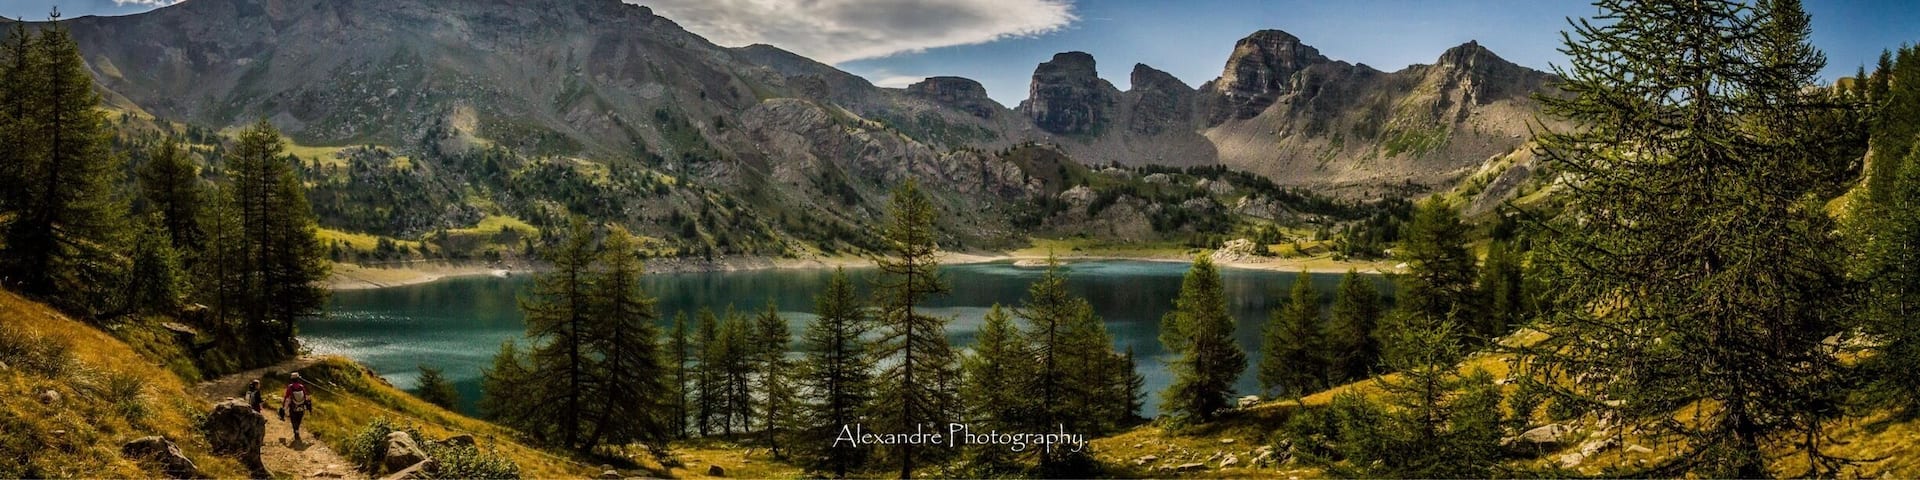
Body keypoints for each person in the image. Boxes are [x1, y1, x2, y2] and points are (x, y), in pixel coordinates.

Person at [282, 372, 316, 442]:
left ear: (292, 379)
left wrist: (284, 405)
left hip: (293, 406)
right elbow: (305, 395)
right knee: (299, 419)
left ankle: (296, 431)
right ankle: (297, 430)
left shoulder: (290, 387)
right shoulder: (301, 386)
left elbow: (287, 396)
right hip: (301, 406)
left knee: (293, 419)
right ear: (298, 379)